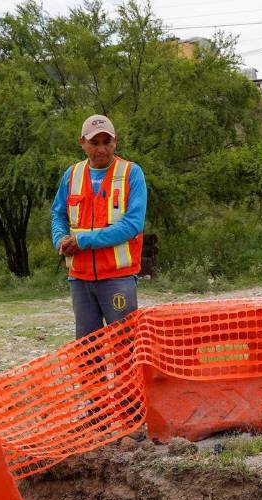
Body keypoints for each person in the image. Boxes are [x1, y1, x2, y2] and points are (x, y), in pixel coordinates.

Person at [51, 114, 148, 339]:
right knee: (87, 350)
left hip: (118, 278)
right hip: (80, 278)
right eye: (95, 143)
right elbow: (57, 214)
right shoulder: (72, 174)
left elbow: (132, 225)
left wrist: (82, 241)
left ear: (116, 141)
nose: (102, 149)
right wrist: (60, 239)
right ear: (82, 142)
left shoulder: (132, 173)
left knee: (124, 348)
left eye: (107, 142)